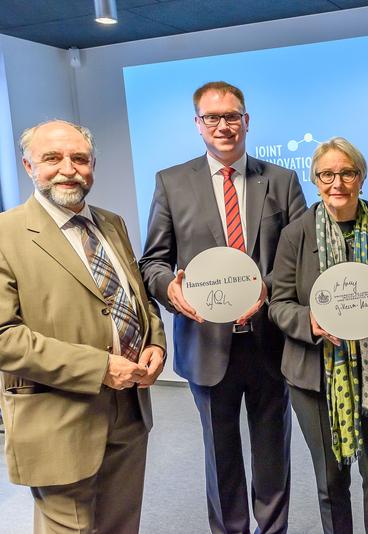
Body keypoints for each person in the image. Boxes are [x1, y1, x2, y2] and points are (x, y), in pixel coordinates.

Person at [139, 81, 306, 534]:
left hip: (271, 341)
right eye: (212, 117)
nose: (223, 125)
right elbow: (153, 260)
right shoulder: (171, 183)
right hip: (206, 345)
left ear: (246, 121)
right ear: (198, 125)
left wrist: (267, 289)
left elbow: (300, 258)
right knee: (221, 456)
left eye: (232, 116)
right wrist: (168, 289)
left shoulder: (282, 181)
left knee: (273, 454)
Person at [0, 119, 166, 533]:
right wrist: (99, 367)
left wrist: (156, 344)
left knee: (121, 524)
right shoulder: (6, 234)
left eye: (80, 158)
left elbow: (137, 299)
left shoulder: (111, 223)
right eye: (52, 158)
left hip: (128, 409)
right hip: (58, 415)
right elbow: (4, 337)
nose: (68, 169)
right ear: (28, 166)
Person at [269, 137, 368, 533]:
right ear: (315, 179)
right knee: (331, 481)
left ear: (361, 177)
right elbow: (279, 302)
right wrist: (311, 323)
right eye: (327, 174)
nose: (337, 182)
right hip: (314, 374)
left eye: (347, 172)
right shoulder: (295, 234)